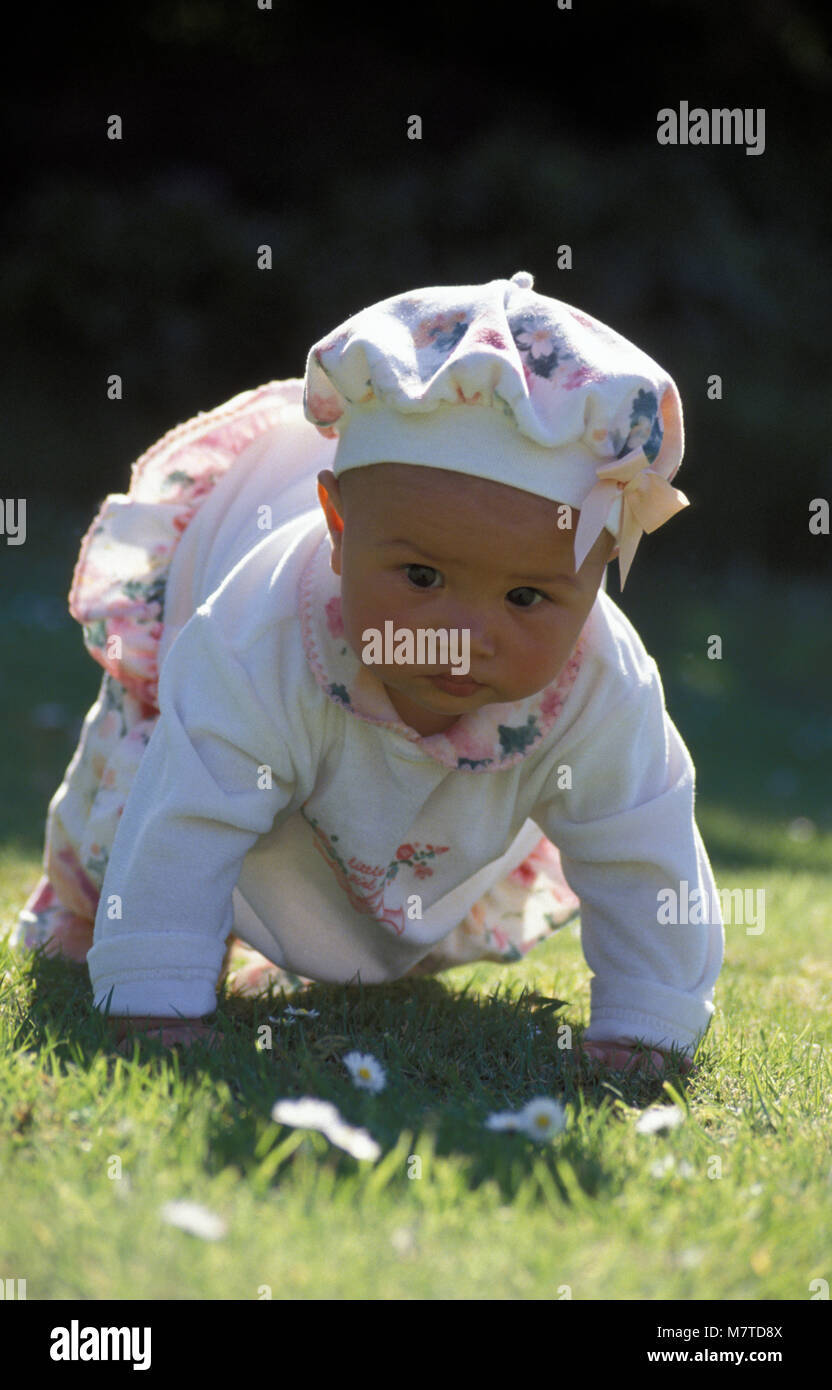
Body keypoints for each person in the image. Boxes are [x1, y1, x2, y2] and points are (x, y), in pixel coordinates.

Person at [11, 270, 724, 1075]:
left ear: (597, 581)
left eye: (526, 596)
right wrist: (155, 996)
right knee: (163, 789)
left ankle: (381, 931)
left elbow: (645, 846)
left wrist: (647, 1023)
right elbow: (186, 814)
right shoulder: (260, 634)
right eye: (421, 578)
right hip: (238, 680)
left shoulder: (601, 683)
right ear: (340, 530)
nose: (462, 637)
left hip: (433, 809)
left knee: (414, 901)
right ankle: (91, 920)